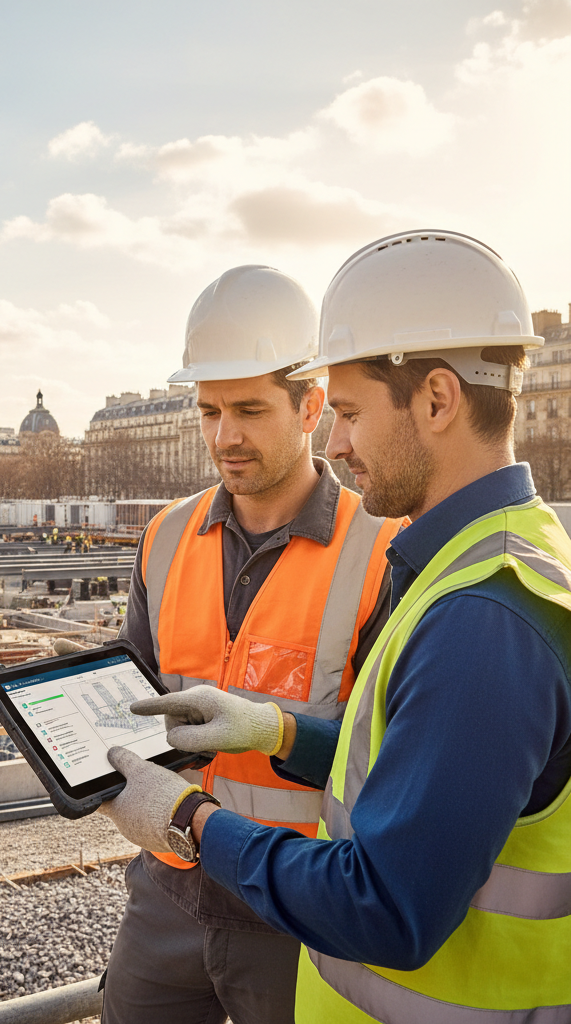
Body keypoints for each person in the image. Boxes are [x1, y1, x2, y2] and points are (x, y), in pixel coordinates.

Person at [99, 231, 571, 1022]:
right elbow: (399, 766)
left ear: (438, 399)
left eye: (347, 412)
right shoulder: (482, 564)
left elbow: (386, 907)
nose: (339, 442)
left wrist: (186, 818)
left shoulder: (483, 617)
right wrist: (276, 730)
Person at [101, 265, 402, 1024]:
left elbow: (391, 761)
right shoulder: (165, 535)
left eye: (248, 409)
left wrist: (273, 733)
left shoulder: (382, 548)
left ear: (310, 404)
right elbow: (131, 699)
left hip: (299, 903)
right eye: (208, 411)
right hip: (168, 882)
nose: (224, 437)